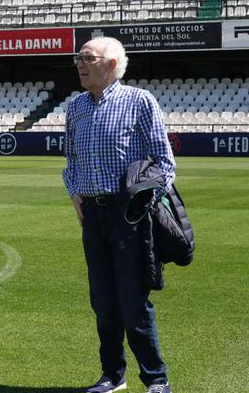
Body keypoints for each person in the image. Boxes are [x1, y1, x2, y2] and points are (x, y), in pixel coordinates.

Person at [63, 37, 176, 393]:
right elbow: (71, 162)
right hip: (93, 218)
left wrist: (141, 202)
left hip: (129, 217)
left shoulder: (139, 101)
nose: (80, 64)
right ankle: (113, 375)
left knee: (133, 302)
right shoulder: (76, 106)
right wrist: (74, 193)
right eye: (77, 58)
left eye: (87, 58)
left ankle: (156, 379)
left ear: (111, 64)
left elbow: (164, 164)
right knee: (103, 303)